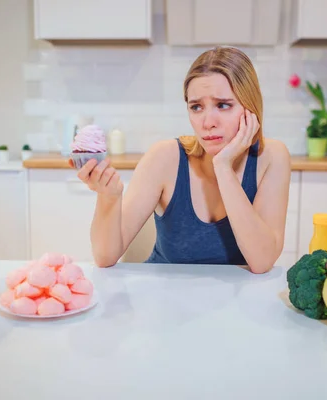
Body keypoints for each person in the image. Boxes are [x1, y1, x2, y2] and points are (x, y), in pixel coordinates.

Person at [71, 46, 291, 274]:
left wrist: (223, 167)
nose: (207, 122)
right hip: (163, 295)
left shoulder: (271, 157)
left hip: (235, 302)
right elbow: (105, 257)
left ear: (250, 108)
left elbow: (262, 261)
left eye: (223, 105)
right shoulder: (164, 158)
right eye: (196, 107)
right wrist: (109, 198)